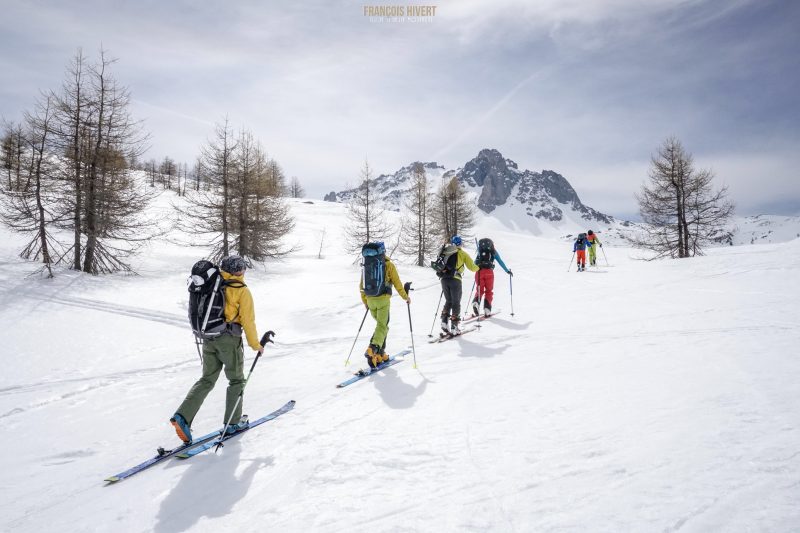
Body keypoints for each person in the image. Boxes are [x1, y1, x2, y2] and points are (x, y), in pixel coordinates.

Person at [170, 255, 263, 444]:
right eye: (243, 268)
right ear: (239, 270)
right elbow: (248, 321)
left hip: (208, 338)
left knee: (207, 379)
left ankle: (183, 416)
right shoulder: (241, 290)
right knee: (236, 380)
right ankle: (233, 424)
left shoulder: (213, 283)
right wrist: (256, 345)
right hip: (228, 340)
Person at [360, 242, 410, 369]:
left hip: (370, 301)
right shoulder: (388, 265)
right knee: (382, 326)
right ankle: (373, 349)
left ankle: (381, 354)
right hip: (383, 300)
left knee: (381, 327)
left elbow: (361, 287)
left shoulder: (367, 265)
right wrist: (406, 297)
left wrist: (366, 302)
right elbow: (398, 284)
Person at [438, 235, 479, 335]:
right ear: (460, 244)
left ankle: (444, 321)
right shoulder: (462, 253)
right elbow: (472, 268)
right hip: (455, 280)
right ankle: (454, 327)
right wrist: (479, 267)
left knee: (448, 301)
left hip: (443, 279)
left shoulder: (446, 251)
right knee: (456, 302)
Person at [471, 238, 512, 317]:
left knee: (480, 290)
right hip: (489, 273)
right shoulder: (493, 251)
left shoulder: (480, 251)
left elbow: (475, 263)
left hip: (479, 272)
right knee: (489, 291)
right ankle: (487, 309)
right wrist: (507, 271)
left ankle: (476, 302)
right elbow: (500, 261)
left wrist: (477, 267)